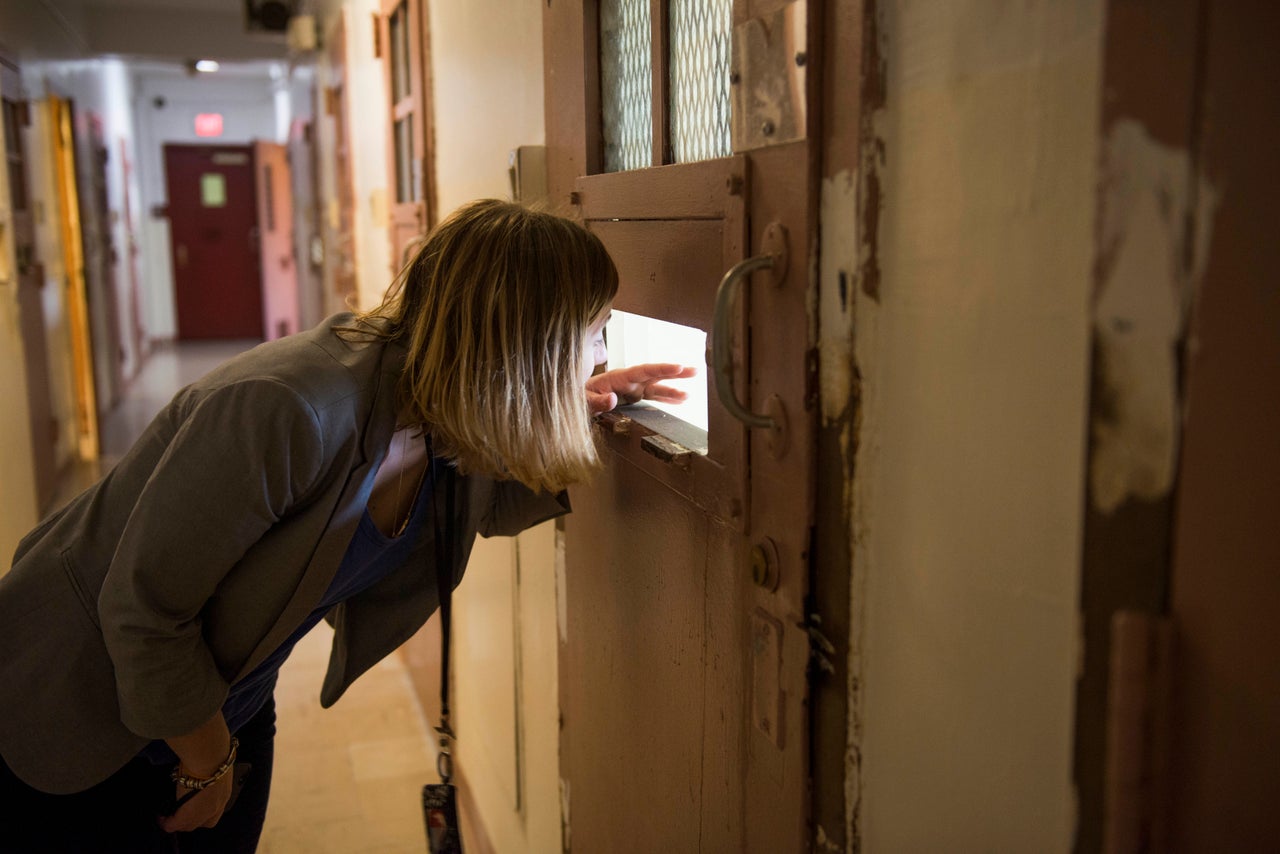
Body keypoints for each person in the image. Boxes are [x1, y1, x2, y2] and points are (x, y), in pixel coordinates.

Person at [0, 199, 695, 852]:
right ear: (521, 346)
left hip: (225, 695)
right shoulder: (289, 408)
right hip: (78, 698)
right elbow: (142, 613)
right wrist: (208, 766)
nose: (602, 354)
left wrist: (575, 409)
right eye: (593, 333)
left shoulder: (447, 408)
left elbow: (487, 506)